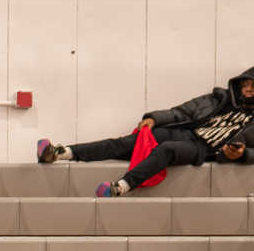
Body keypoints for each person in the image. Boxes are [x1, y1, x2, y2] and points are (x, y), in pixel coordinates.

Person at [37, 69, 254, 197]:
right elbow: (182, 112)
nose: (248, 89)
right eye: (245, 85)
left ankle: (120, 187)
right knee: (125, 143)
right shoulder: (220, 99)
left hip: (200, 148)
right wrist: (155, 119)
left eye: (253, 86)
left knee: (167, 150)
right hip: (181, 131)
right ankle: (60, 153)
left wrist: (242, 154)